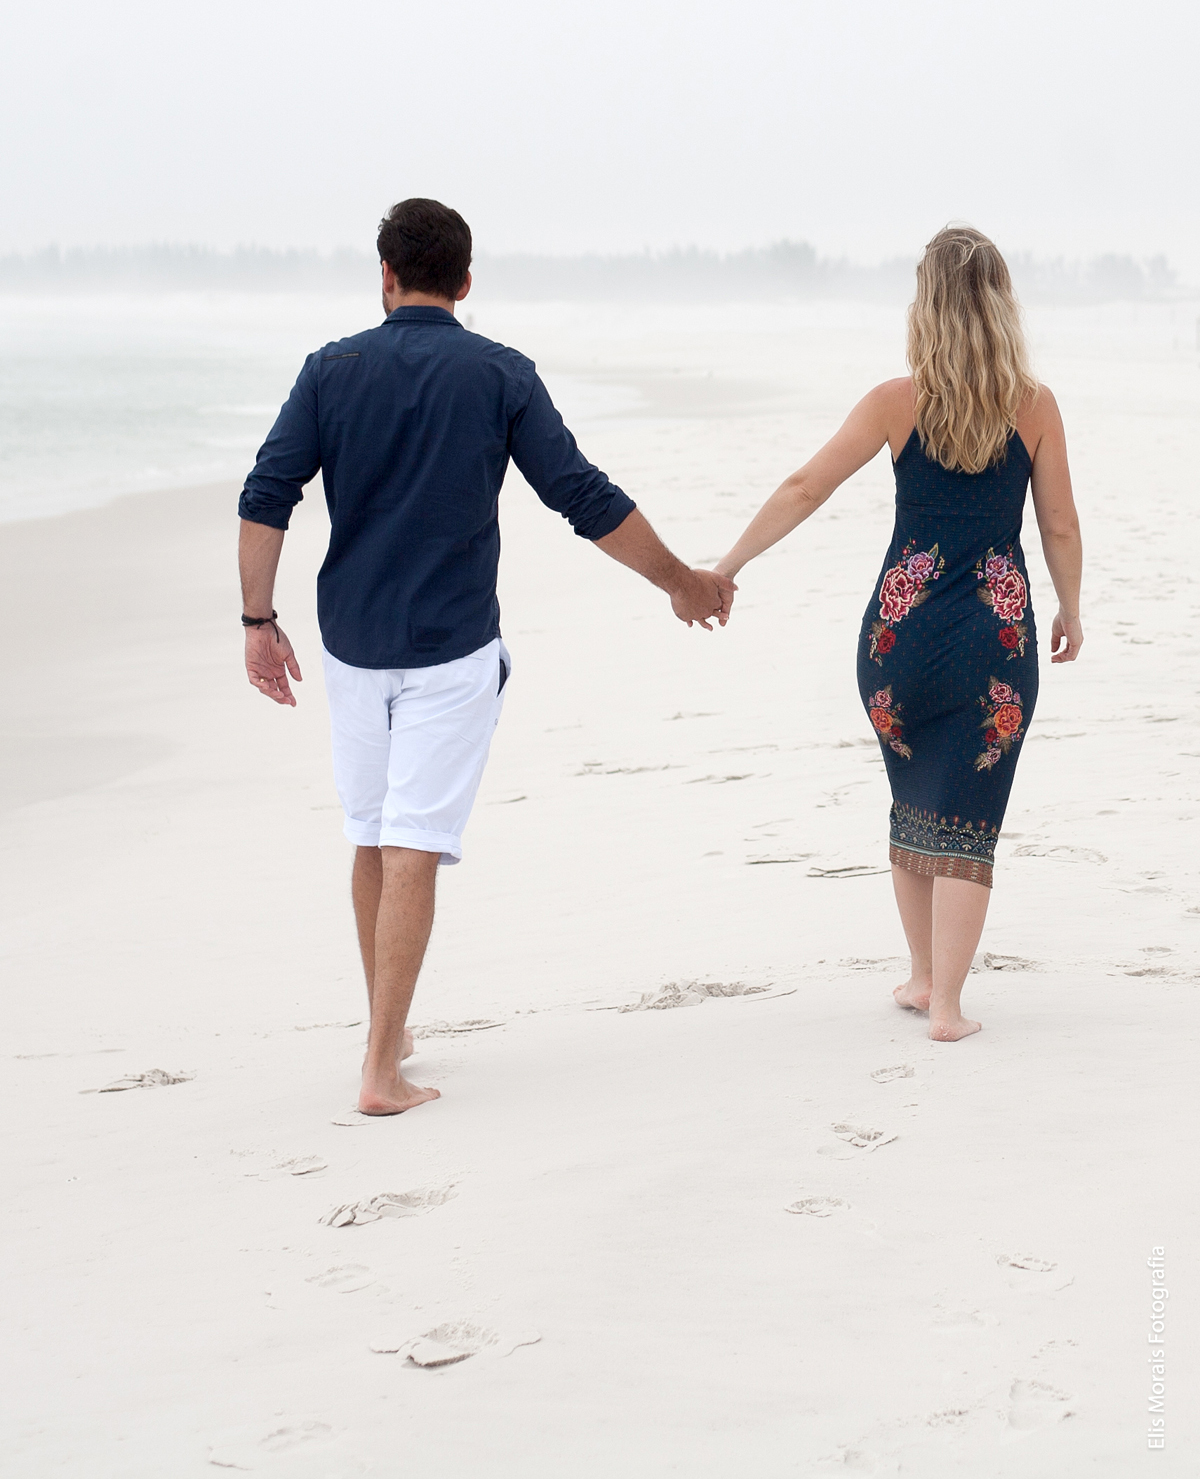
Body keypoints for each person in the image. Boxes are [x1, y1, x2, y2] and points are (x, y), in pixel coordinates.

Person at [238, 198, 735, 1115]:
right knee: (413, 839)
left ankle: (386, 1027)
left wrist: (256, 622)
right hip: (451, 648)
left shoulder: (330, 370)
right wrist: (677, 580)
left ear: (385, 276)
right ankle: (382, 1070)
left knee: (373, 832)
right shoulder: (501, 374)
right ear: (466, 283)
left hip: (350, 642)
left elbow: (268, 494)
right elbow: (582, 496)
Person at [714, 226, 1082, 1040]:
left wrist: (729, 562)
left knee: (913, 799)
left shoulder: (896, 401)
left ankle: (921, 978)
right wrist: (1071, 606)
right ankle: (947, 1006)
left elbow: (806, 486)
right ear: (999, 304)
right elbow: (1057, 524)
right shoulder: (1034, 405)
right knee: (969, 812)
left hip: (897, 641)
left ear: (927, 304)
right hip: (997, 639)